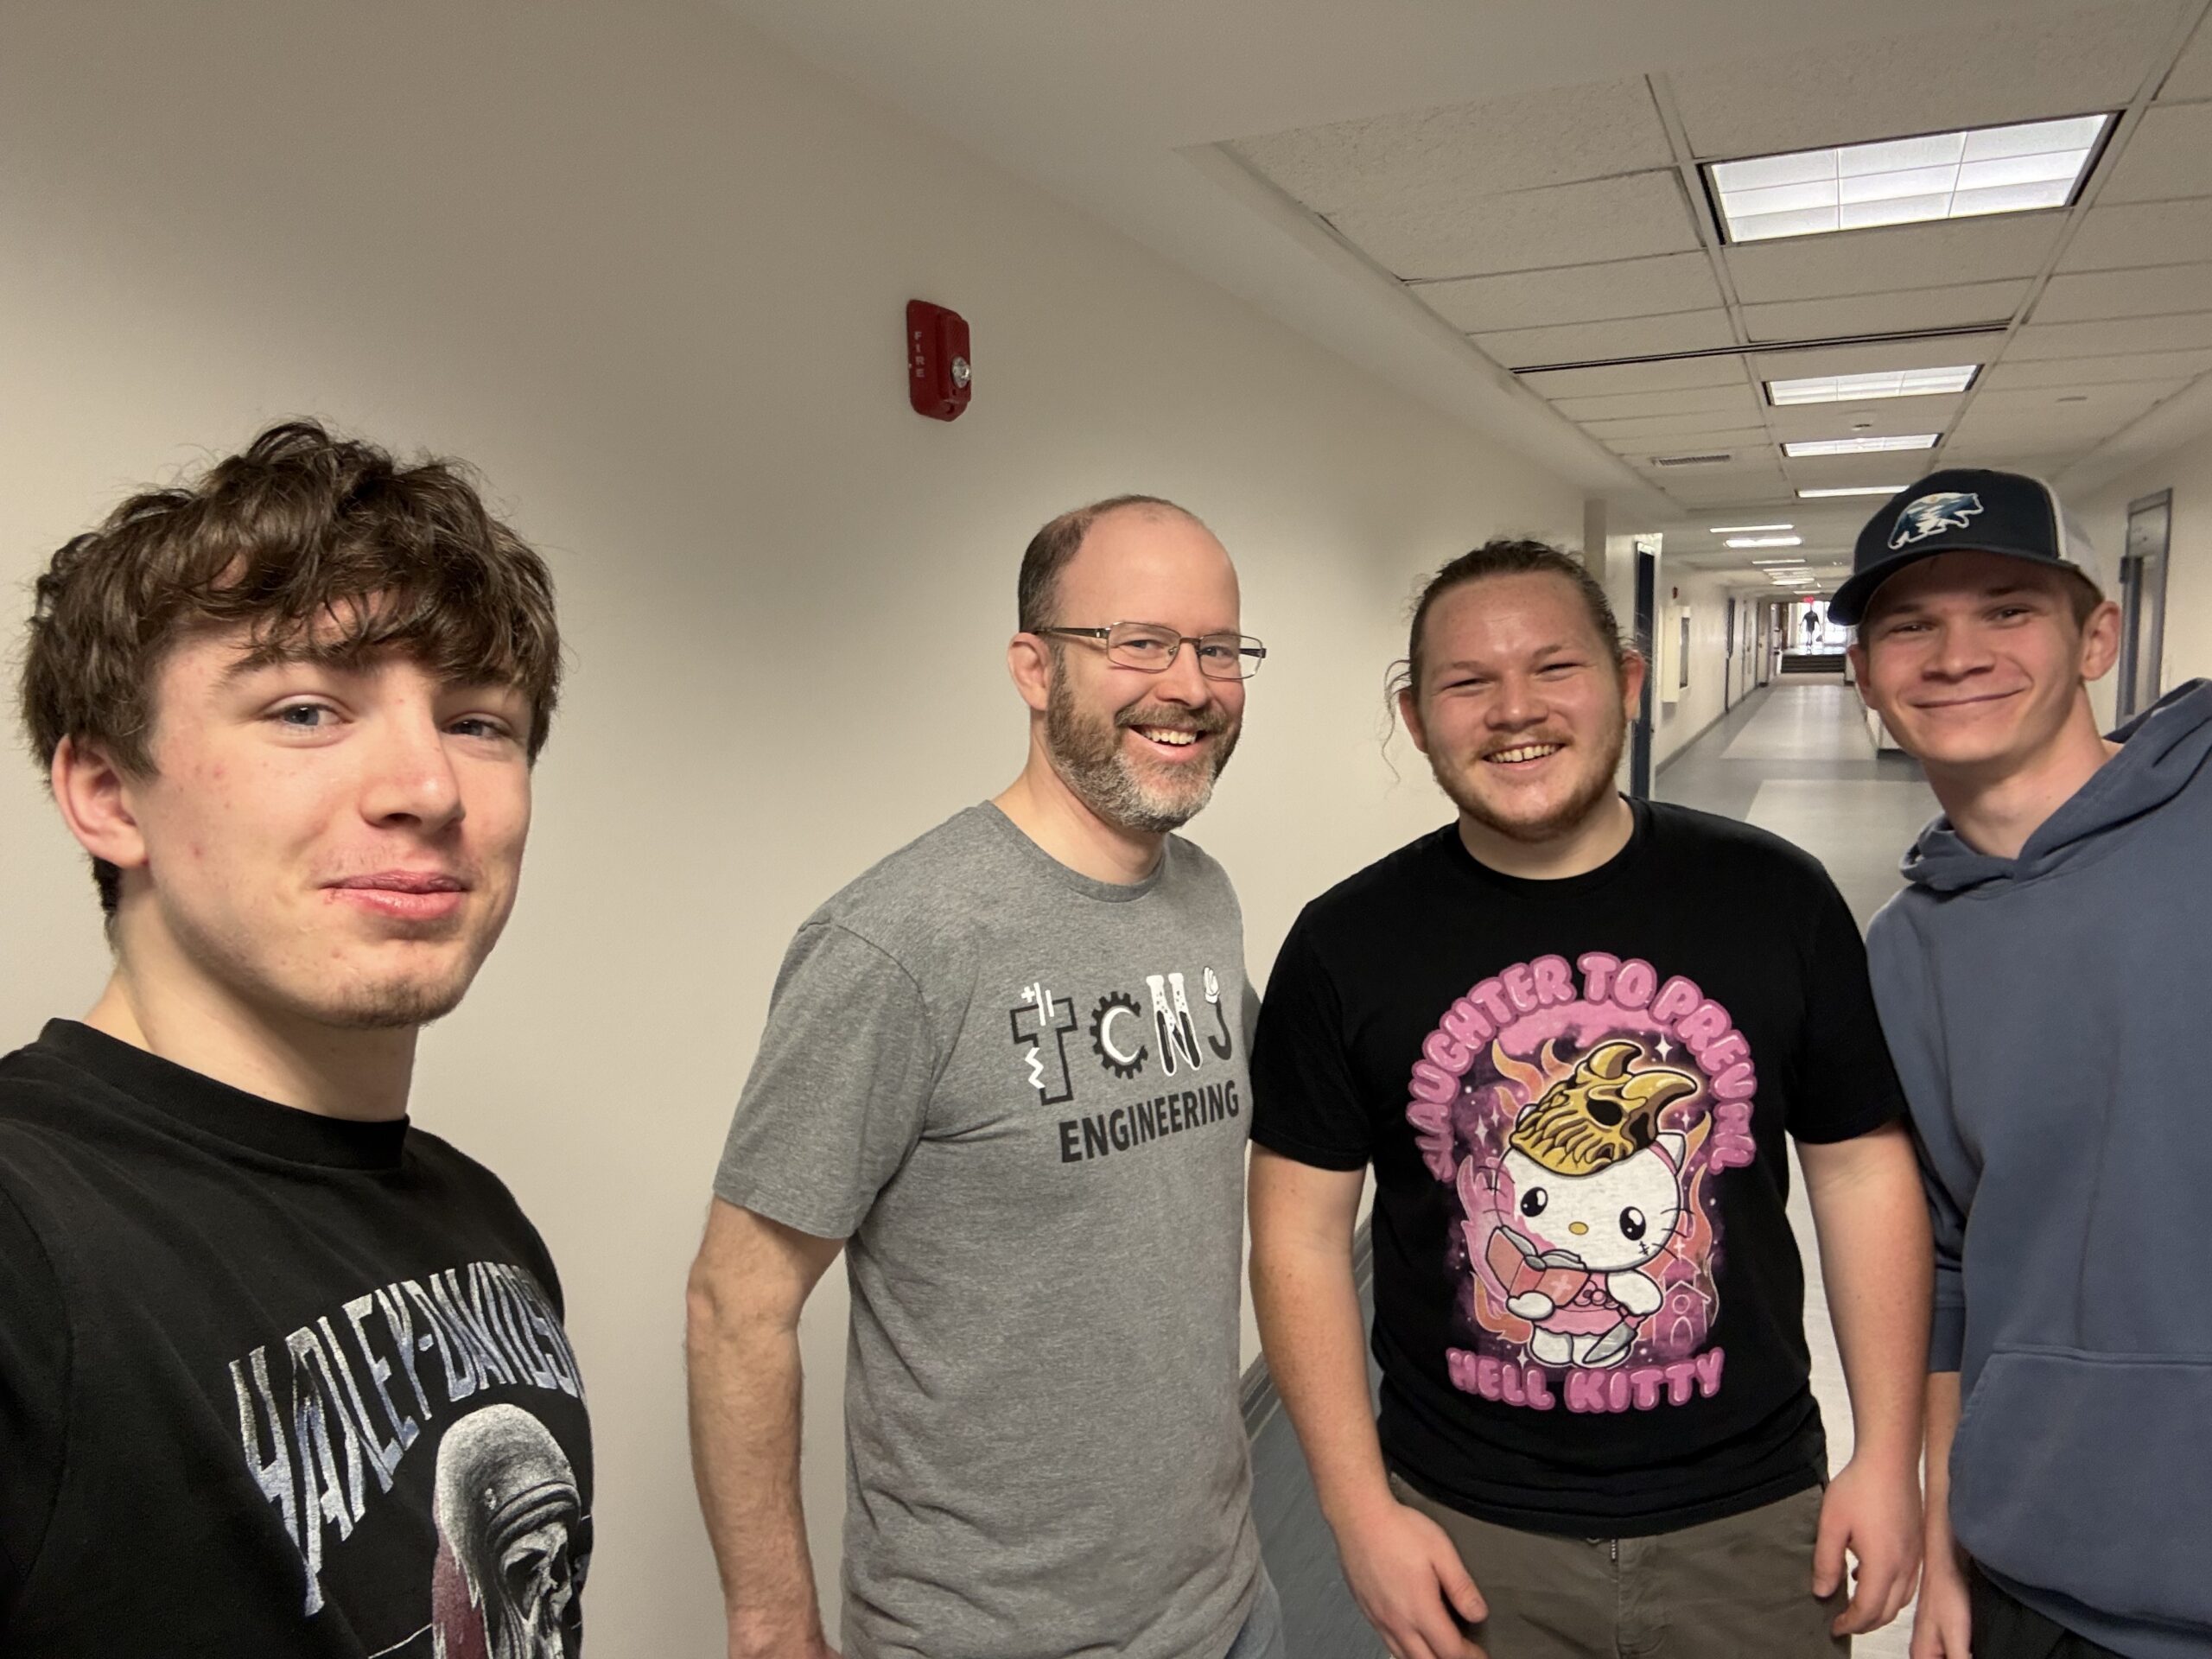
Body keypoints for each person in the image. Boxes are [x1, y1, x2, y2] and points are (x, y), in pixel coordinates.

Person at [1248, 537, 1930, 1659]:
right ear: (1417, 718)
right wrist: (1357, 1511)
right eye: (1469, 682)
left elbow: (1860, 1172)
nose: (1515, 710)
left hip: (1751, 1520)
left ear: (1623, 680)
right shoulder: (1346, 945)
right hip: (1469, 1524)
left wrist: (1887, 1455)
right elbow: (1299, 1238)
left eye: (1553, 668)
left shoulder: (1774, 900)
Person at [0, 422, 590, 1657]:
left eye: (481, 722)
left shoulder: (483, 1221)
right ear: (107, 793)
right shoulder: (26, 1247)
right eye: (309, 709)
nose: (428, 789)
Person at [687, 496, 1278, 1659]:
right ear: (1032, 666)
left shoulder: (1202, 897)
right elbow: (733, 1307)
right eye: (1140, 643)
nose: (1193, 685)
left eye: (1220, 649)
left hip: (1224, 1598)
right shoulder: (901, 942)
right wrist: (772, 1630)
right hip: (989, 1635)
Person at [1840, 468, 2212, 1659]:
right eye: (1911, 625)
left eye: (2007, 608)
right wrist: (1948, 1539)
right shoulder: (1905, 951)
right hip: (2038, 1576)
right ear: (1865, 673)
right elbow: (1950, 1265)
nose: (1955, 655)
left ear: (2096, 633)